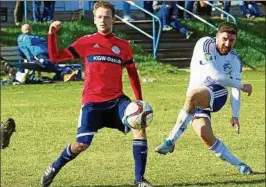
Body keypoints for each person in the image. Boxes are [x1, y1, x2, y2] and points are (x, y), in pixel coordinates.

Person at [41, 2, 153, 187]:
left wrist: (138, 100)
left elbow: (132, 73)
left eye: (107, 16)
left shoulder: (123, 46)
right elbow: (55, 57)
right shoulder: (85, 42)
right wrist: (51, 34)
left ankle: (140, 180)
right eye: (99, 16)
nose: (103, 20)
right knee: (82, 144)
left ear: (113, 20)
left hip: (117, 101)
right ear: (94, 19)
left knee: (139, 124)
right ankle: (55, 166)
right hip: (92, 102)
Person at [155, 22, 253, 175]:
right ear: (217, 36)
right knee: (205, 136)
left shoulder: (234, 60)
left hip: (218, 94)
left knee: (193, 95)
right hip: (197, 98)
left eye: (232, 40)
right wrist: (242, 85)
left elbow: (232, 88)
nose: (227, 43)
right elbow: (214, 75)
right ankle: (240, 164)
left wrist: (235, 115)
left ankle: (170, 141)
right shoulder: (205, 43)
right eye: (224, 39)